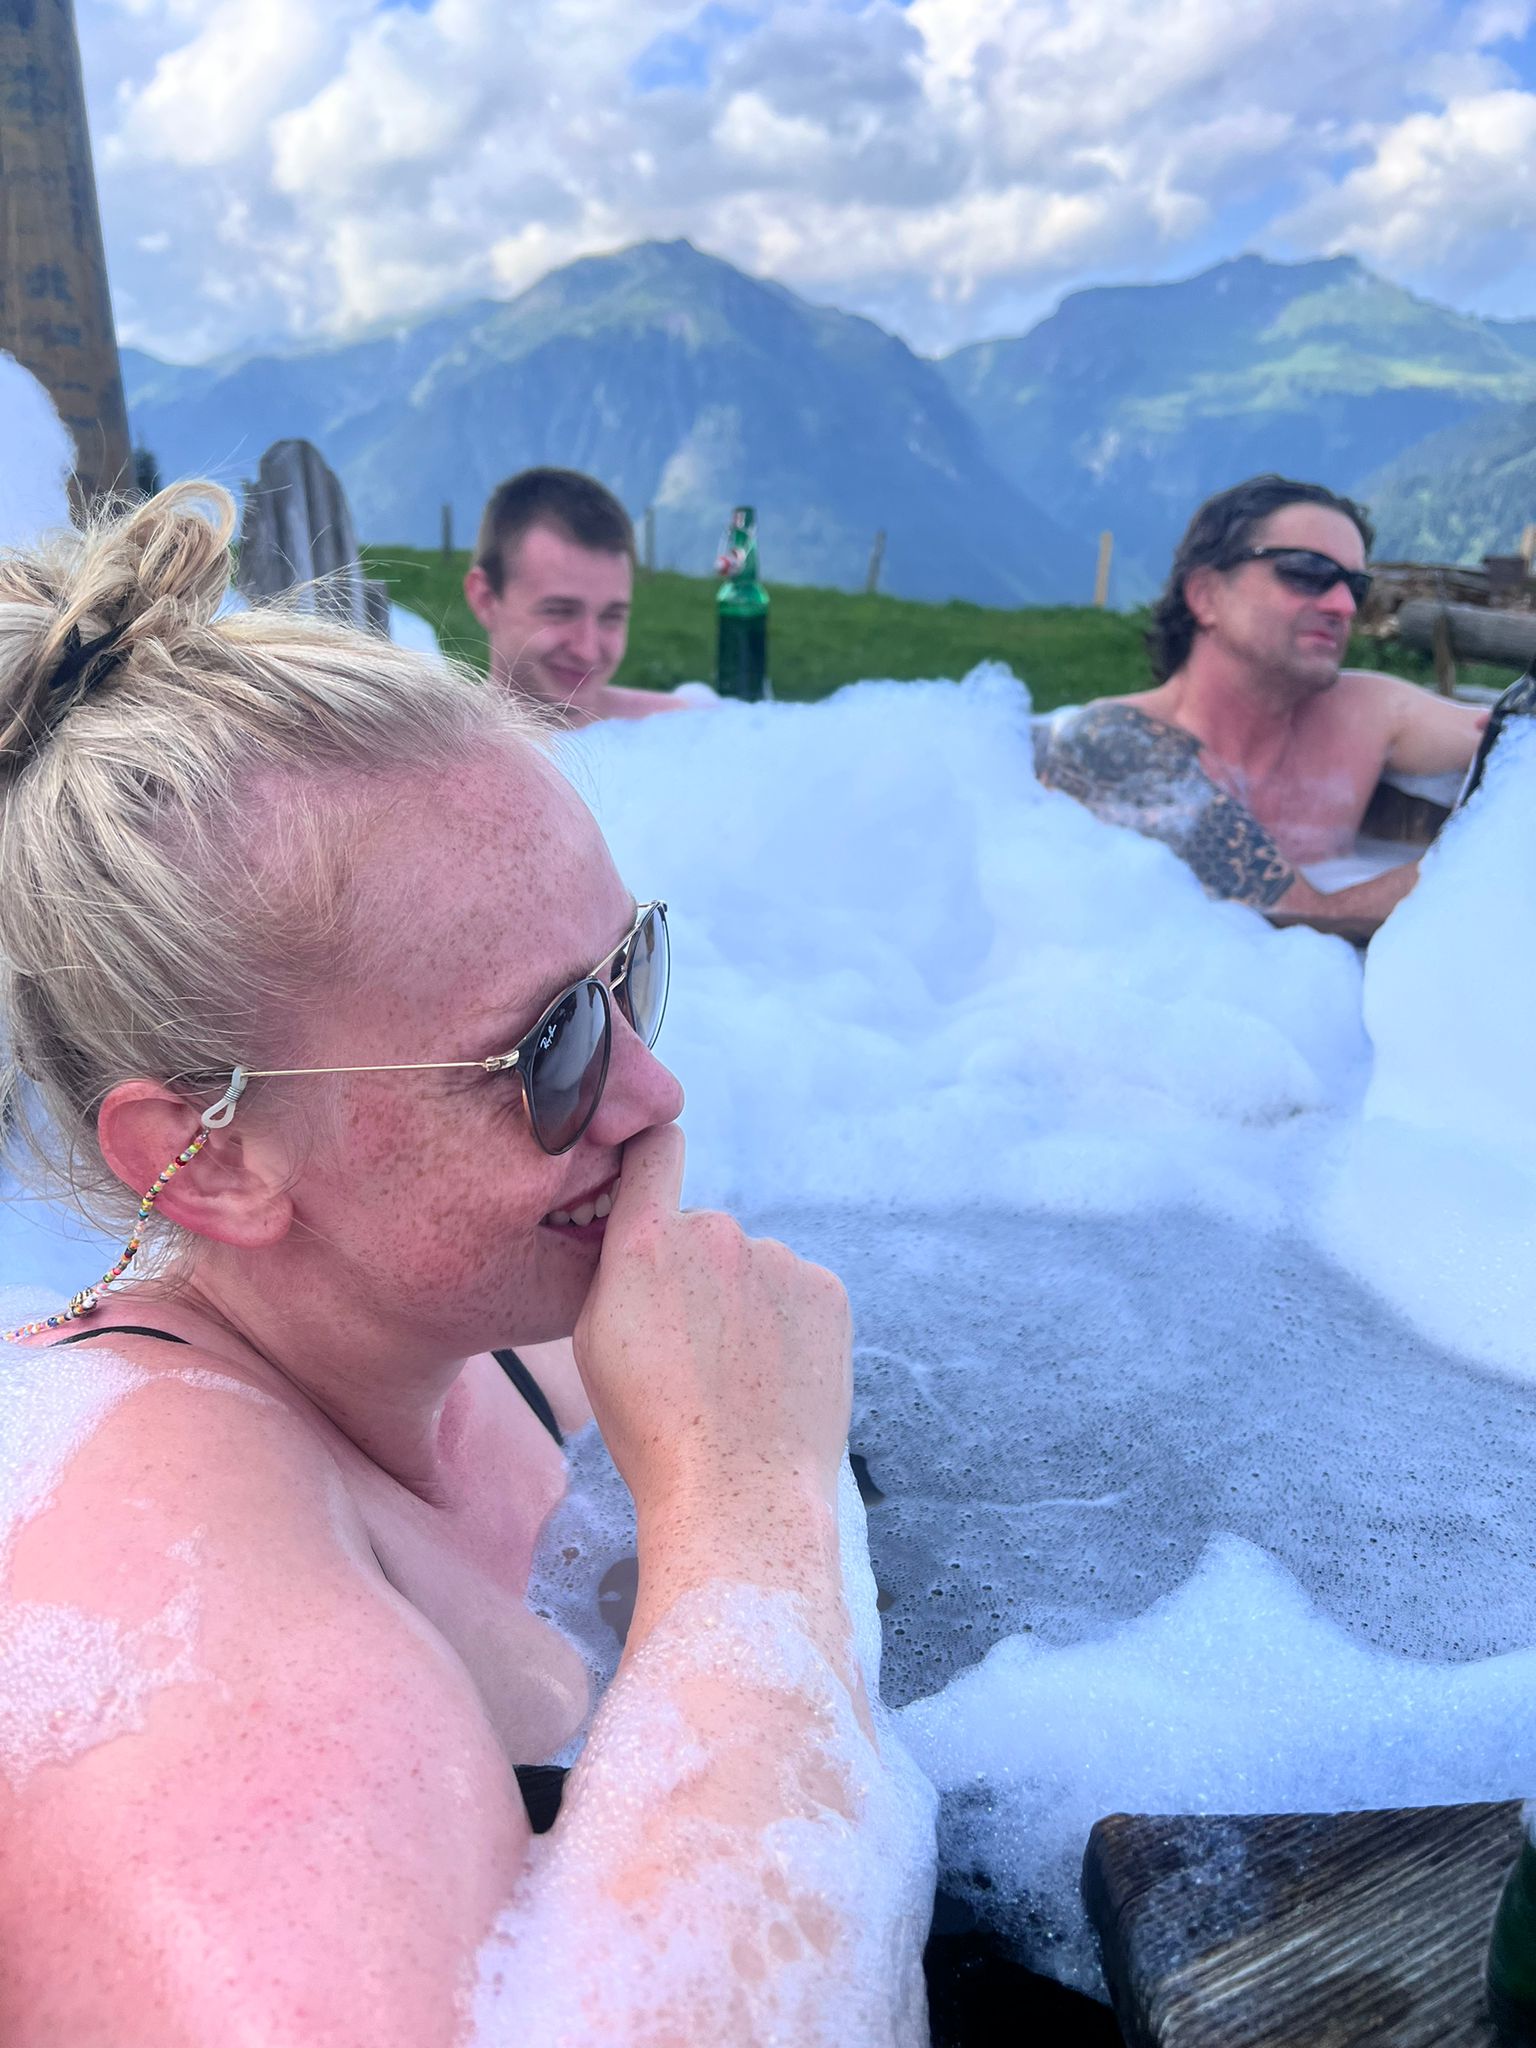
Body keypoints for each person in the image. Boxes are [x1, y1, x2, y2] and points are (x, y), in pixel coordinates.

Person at [0, 485, 933, 2044]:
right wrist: (750, 1520)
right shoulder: (152, 1603)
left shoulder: (480, 1338)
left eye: (629, 971)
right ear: (214, 1157)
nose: (654, 1093)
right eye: (549, 1046)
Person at [1034, 475, 1488, 942]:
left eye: (1356, 586)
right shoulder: (1113, 741)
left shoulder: (1366, 711)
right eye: (1306, 572)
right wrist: (1495, 855)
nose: (1344, 606)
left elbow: (1505, 736)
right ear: (1206, 595)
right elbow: (1303, 918)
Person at [463, 467, 694, 726]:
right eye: (560, 612)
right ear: (485, 599)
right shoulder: (443, 745)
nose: (587, 651)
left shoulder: (680, 724)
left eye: (612, 617)